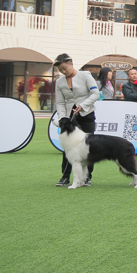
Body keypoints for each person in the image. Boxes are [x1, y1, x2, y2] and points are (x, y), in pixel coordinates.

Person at [52, 53, 100, 187]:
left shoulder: (85, 75)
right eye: (60, 70)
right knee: (68, 147)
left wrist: (83, 106)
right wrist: (62, 118)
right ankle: (65, 176)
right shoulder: (59, 82)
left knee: (88, 146)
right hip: (69, 118)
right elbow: (60, 102)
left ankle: (87, 177)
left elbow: (95, 94)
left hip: (87, 115)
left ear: (71, 63)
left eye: (64, 68)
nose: (63, 71)